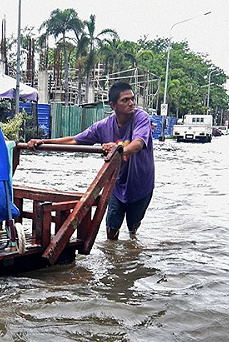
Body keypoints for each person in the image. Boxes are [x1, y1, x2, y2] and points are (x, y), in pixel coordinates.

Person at [27, 81, 155, 241]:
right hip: (117, 184)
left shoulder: (141, 117)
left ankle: (132, 248)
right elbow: (75, 140)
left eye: (132, 99)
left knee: (133, 227)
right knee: (112, 228)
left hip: (141, 183)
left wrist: (118, 148)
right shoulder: (103, 126)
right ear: (113, 105)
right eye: (125, 100)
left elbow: (138, 143)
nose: (131, 103)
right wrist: (44, 142)